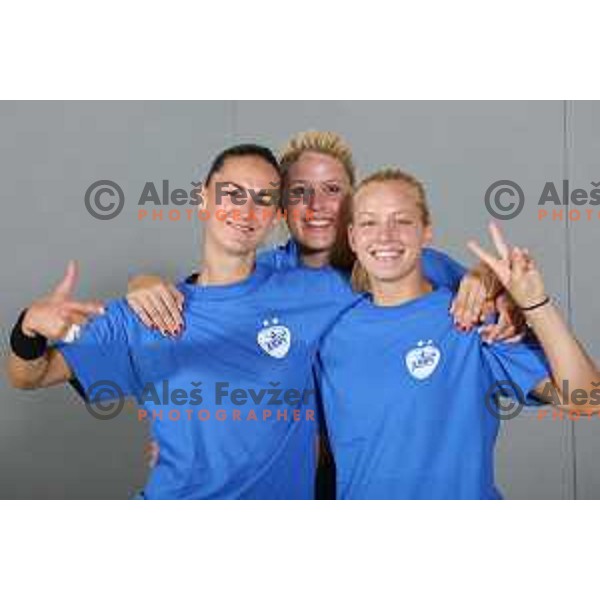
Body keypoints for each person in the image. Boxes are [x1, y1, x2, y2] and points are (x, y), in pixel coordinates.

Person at [7, 144, 363, 499]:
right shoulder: (145, 313)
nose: (246, 210)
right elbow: (29, 376)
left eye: (263, 199)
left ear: (276, 216)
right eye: (232, 194)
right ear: (202, 199)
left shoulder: (312, 292)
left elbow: (406, 273)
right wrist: (30, 329)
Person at [316, 168, 600, 499]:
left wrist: (535, 303)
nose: (385, 236)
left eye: (402, 221)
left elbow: (586, 398)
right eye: (369, 222)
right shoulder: (332, 332)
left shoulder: (470, 317)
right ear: (352, 238)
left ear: (426, 233)